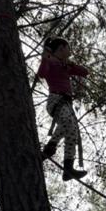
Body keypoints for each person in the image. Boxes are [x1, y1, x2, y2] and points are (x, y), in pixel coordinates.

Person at [35, 37, 88, 182]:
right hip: (56, 100)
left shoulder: (65, 65)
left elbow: (84, 72)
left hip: (66, 104)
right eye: (68, 48)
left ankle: (67, 168)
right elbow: (42, 74)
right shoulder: (51, 62)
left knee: (72, 130)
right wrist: (45, 57)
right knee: (68, 124)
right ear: (61, 48)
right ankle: (51, 149)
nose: (70, 51)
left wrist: (71, 64)